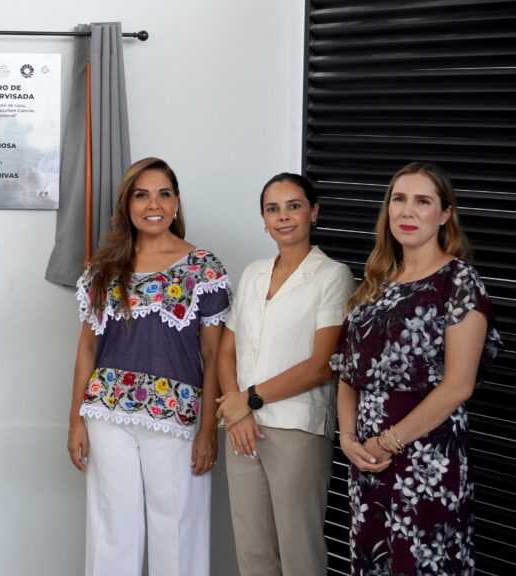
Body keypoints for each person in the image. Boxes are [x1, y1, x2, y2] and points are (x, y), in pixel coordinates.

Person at [331, 162, 502, 575]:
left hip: (427, 460)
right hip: (367, 461)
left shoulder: (458, 281)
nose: (407, 211)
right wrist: (348, 438)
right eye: (399, 199)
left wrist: (387, 441)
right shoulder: (375, 282)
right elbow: (348, 372)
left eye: (422, 201)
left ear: (445, 214)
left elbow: (458, 386)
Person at [66, 157, 229, 576]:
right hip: (105, 411)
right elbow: (87, 346)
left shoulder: (203, 268)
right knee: (111, 531)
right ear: (127, 204)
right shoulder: (102, 269)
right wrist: (75, 421)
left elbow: (214, 355)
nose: (153, 204)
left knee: (177, 532)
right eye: (142, 195)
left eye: (163, 194)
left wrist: (208, 429)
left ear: (176, 202)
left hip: (177, 416)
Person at [215, 173, 354, 576]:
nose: (283, 216)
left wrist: (249, 398)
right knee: (253, 550)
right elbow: (227, 350)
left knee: (298, 550)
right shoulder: (253, 274)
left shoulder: (333, 275)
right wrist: (237, 410)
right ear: (263, 220)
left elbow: (322, 363)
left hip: (298, 428)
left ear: (314, 212)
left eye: (294, 206)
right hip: (243, 427)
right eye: (272, 209)